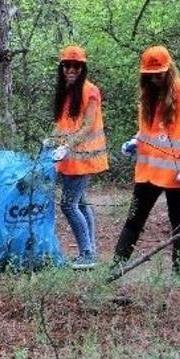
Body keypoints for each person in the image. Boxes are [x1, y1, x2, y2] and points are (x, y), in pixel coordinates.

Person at [114, 45, 180, 276]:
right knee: (133, 220)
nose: (155, 80)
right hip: (148, 170)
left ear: (169, 69)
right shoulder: (147, 95)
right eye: (150, 76)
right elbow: (145, 130)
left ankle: (177, 277)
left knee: (179, 224)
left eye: (159, 74)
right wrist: (135, 141)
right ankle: (114, 271)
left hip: (176, 173)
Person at [47, 45, 109, 270]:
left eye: (76, 66)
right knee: (80, 204)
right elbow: (62, 124)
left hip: (84, 158)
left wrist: (67, 146)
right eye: (67, 66)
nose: (70, 70)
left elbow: (88, 125)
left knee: (68, 205)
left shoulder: (90, 90)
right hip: (69, 159)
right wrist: (51, 141)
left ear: (82, 68)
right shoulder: (66, 91)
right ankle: (90, 250)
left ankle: (86, 253)